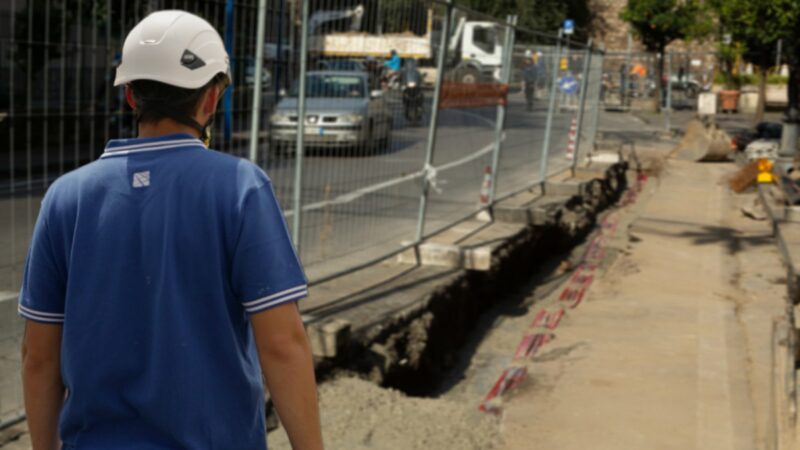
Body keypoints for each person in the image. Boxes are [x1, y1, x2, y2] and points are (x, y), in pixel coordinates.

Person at [18, 10, 323, 450]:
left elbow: (38, 357)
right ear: (211, 99)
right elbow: (282, 344)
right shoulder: (240, 187)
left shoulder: (65, 197)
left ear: (130, 97)